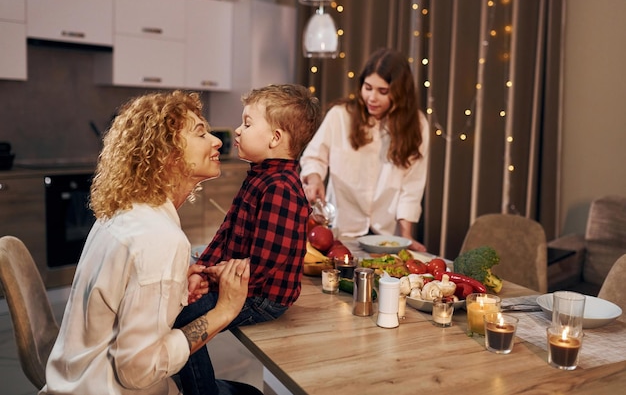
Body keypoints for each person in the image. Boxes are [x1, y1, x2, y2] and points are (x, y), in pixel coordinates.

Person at [39, 91, 261, 395]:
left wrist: (177, 283)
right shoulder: (160, 239)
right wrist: (225, 310)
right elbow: (138, 371)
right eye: (200, 133)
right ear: (166, 154)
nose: (217, 141)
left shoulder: (125, 211)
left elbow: (123, 292)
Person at [174, 84, 323, 395]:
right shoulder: (261, 176)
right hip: (244, 284)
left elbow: (264, 264)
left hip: (262, 296)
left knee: (185, 320)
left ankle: (203, 392)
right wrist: (203, 269)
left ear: (275, 139)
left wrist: (214, 279)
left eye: (247, 123)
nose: (238, 131)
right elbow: (227, 233)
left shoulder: (280, 187)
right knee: (178, 308)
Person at [300, 47, 430, 252]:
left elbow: (411, 187)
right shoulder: (340, 115)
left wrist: (405, 235)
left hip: (386, 234)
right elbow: (314, 157)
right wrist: (314, 178)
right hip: (343, 229)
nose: (372, 97)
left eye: (383, 91)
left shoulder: (418, 125)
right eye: (368, 87)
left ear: (400, 93)